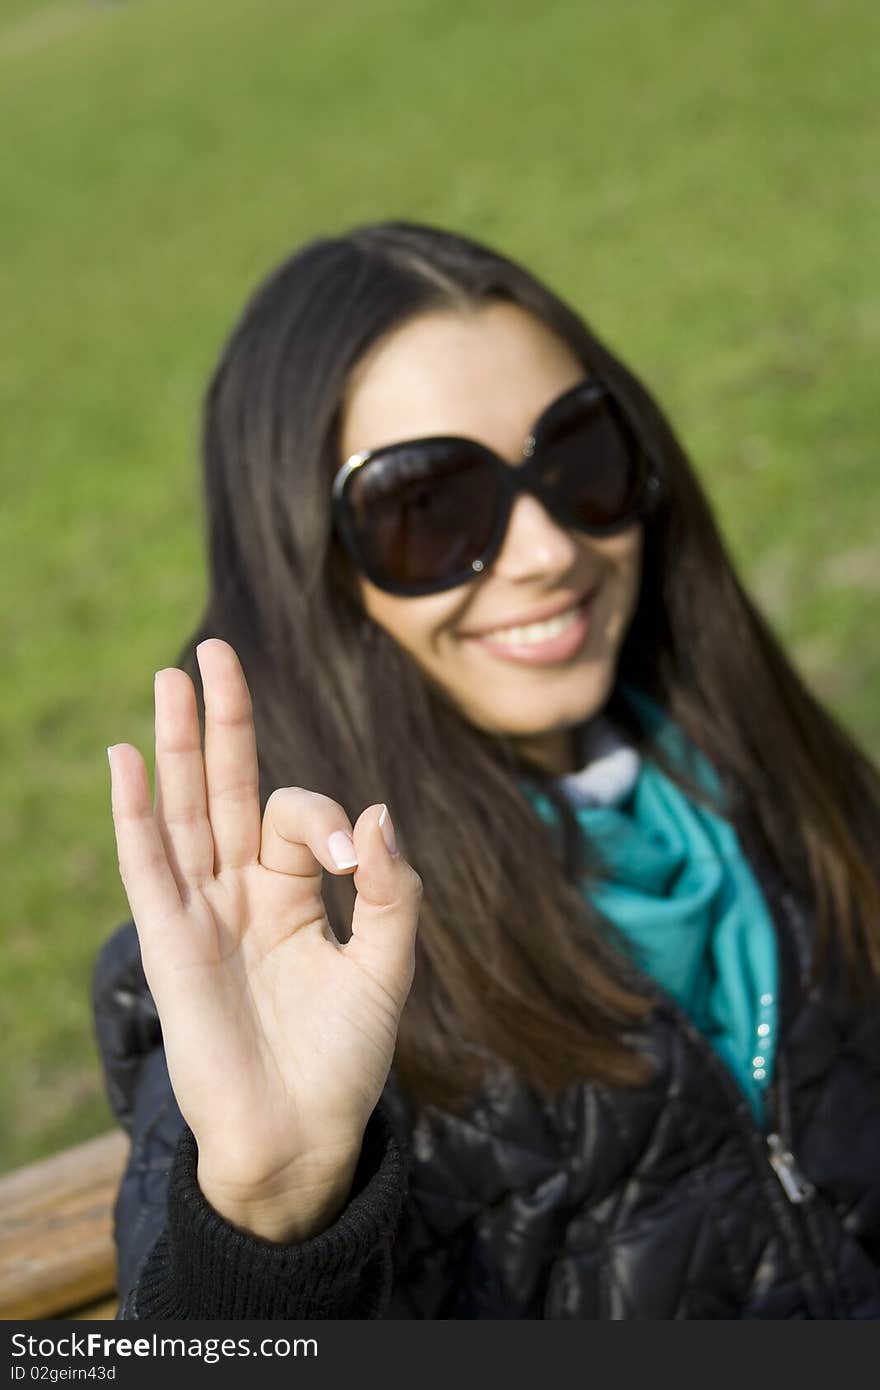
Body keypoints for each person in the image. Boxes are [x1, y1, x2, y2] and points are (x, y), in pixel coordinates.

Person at [94, 220, 880, 1319]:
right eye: (429, 508)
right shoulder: (267, 968)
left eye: (578, 458)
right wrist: (271, 1220)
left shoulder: (788, 789)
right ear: (310, 569)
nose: (548, 550)